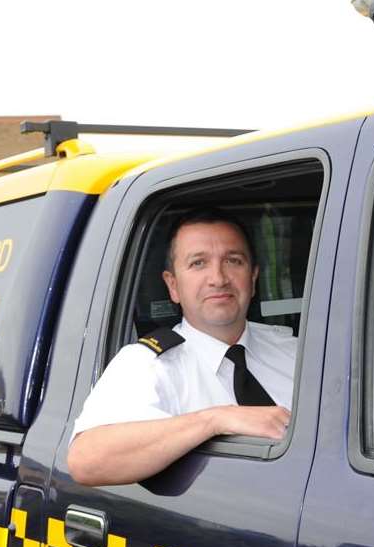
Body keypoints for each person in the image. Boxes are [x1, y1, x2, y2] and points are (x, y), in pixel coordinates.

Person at [68, 208, 296, 486]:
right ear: (173, 285)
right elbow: (86, 460)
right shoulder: (148, 364)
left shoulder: (296, 351)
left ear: (253, 277)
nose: (218, 278)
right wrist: (216, 420)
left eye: (233, 261)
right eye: (198, 263)